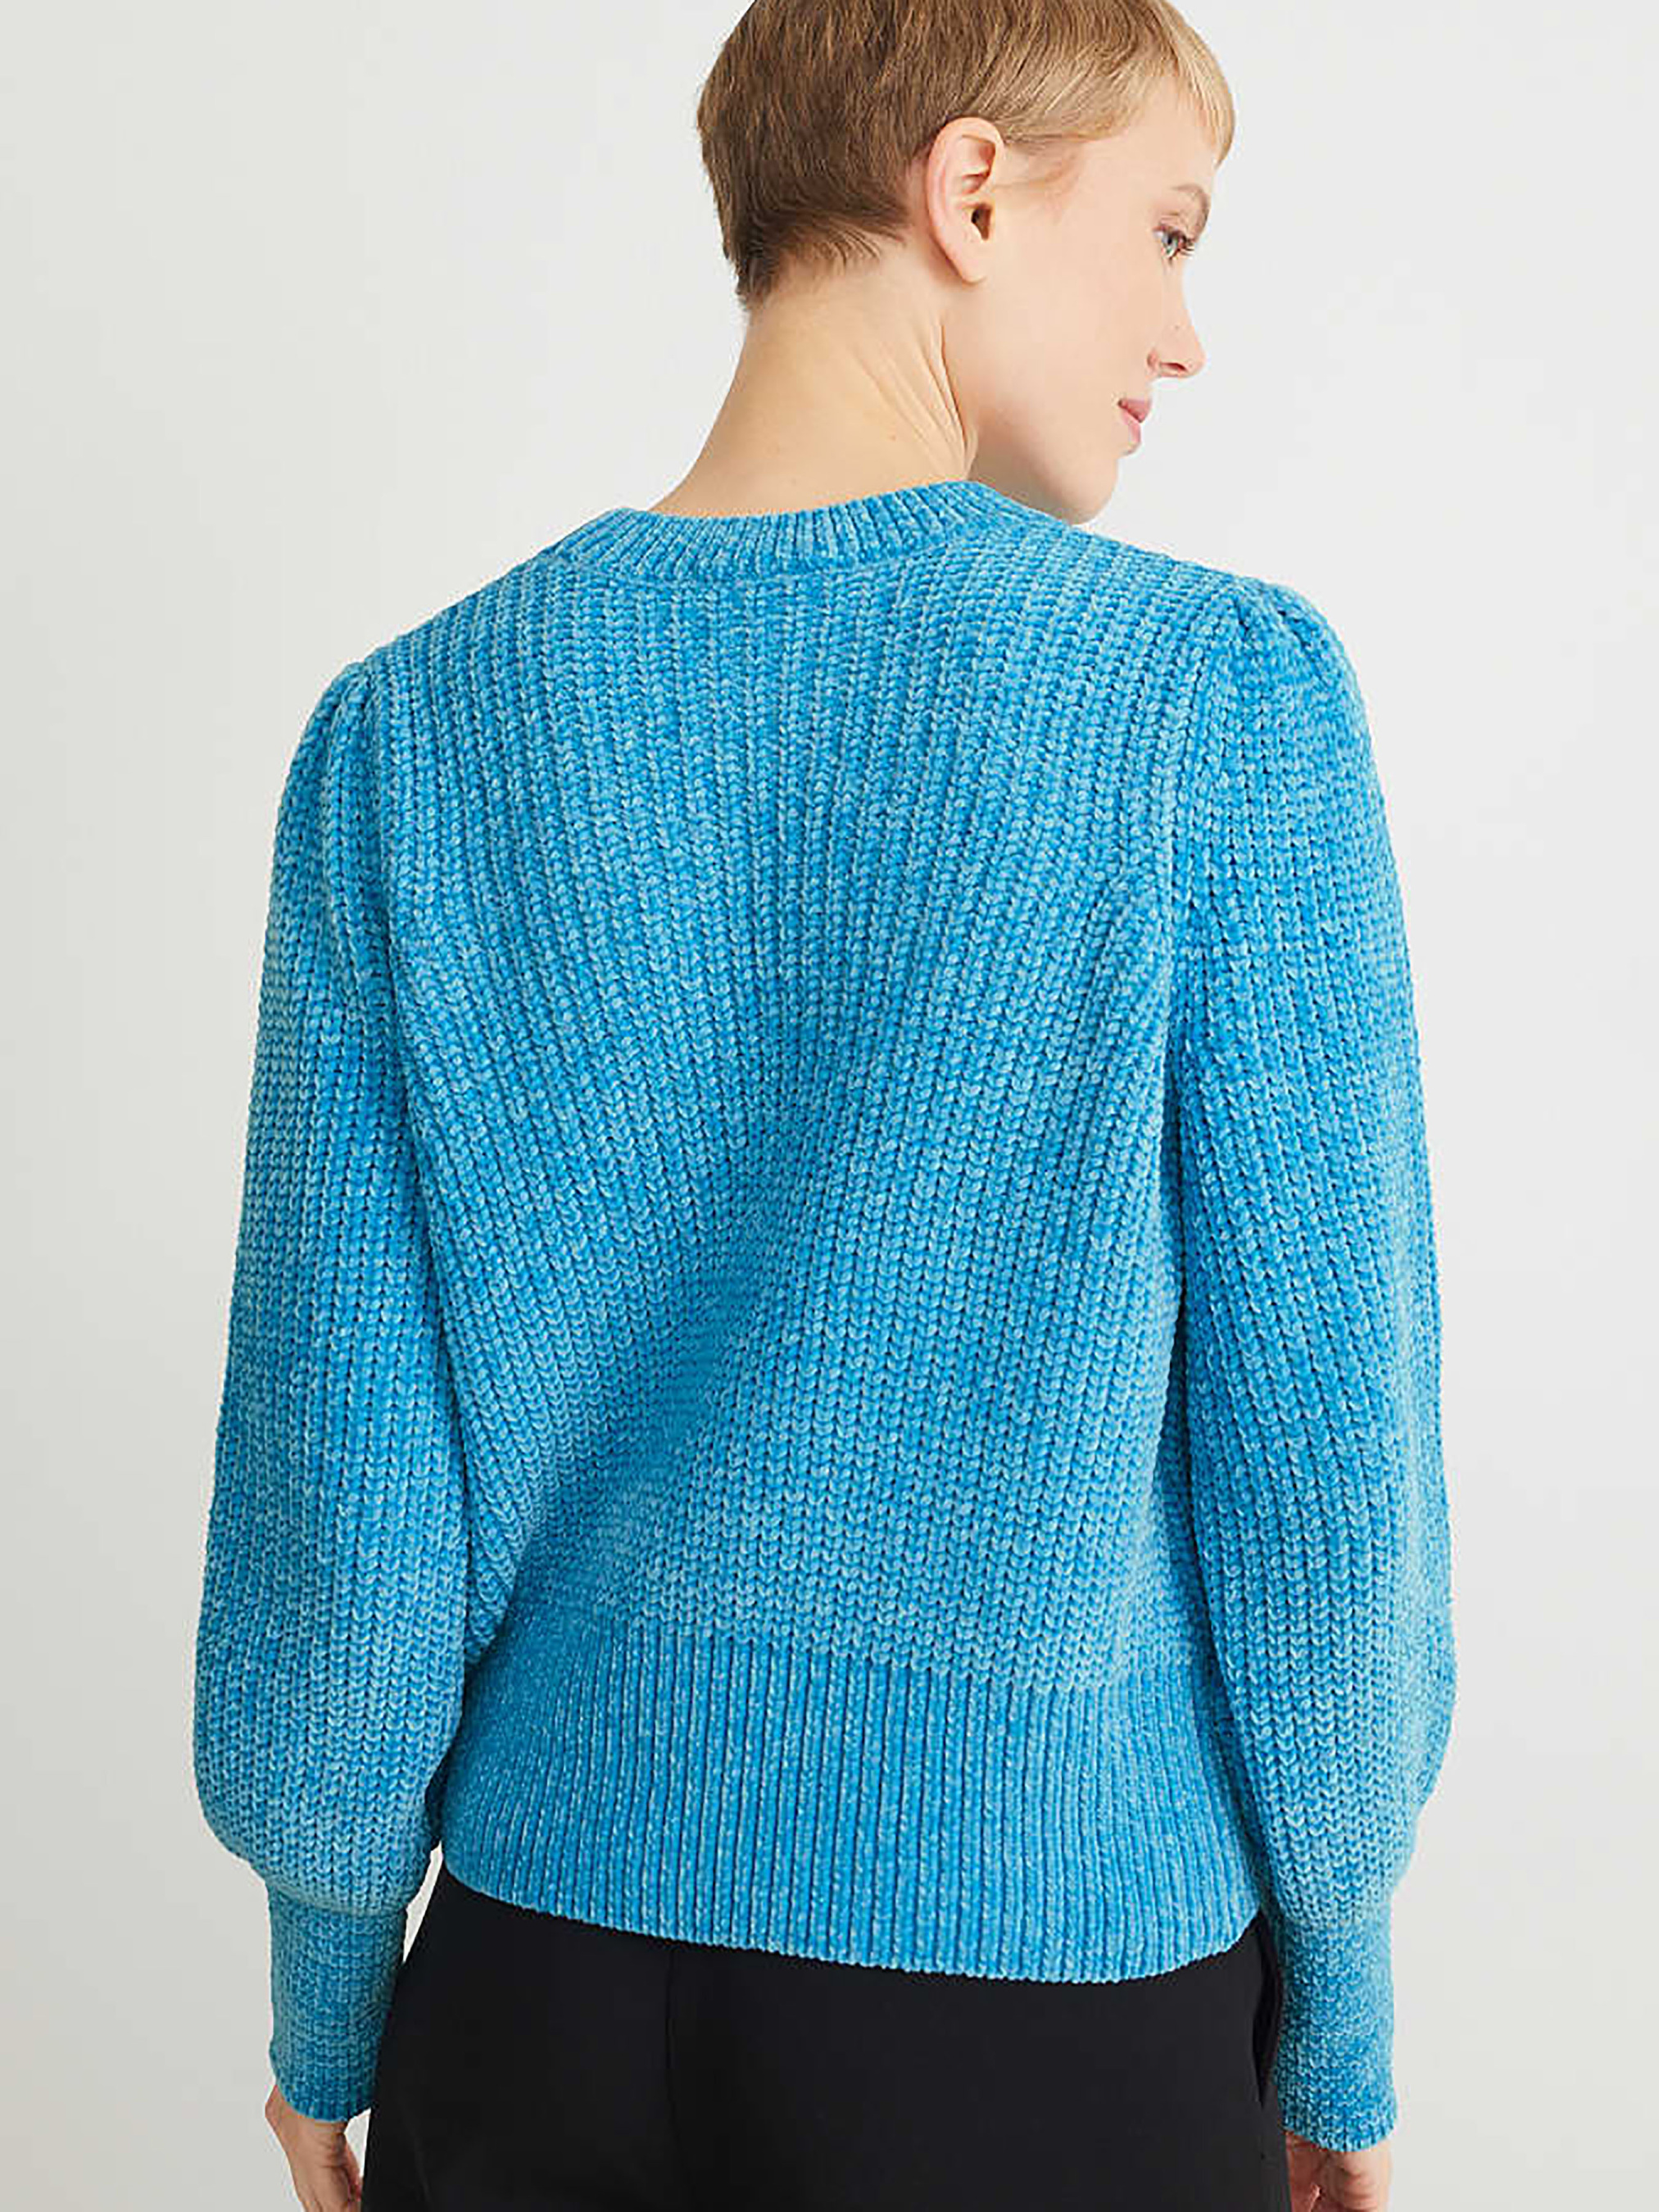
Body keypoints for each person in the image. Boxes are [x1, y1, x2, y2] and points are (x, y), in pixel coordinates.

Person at [190, 3, 1458, 2209]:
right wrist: (1335, 2008)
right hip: (1049, 2011)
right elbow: (1320, 1463)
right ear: (970, 191)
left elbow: (344, 1478)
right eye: (1167, 232)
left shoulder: (407, 736)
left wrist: (332, 1991)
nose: (1184, 331)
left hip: (541, 1992)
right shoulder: (1210, 706)